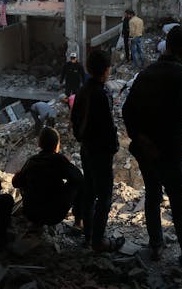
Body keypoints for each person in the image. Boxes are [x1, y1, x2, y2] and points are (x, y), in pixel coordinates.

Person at [123, 26, 182, 267]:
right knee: (178, 199)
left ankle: (155, 245)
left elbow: (127, 111)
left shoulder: (146, 73)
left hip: (145, 150)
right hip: (169, 150)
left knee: (152, 194)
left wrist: (142, 140)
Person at [70, 50, 123, 252]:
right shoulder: (102, 93)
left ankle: (89, 235)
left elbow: (75, 119)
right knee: (105, 196)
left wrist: (81, 138)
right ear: (106, 70)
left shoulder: (83, 90)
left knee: (90, 192)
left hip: (87, 148)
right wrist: (113, 147)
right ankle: (98, 241)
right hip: (100, 151)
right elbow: (109, 127)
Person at [12, 127, 84, 228]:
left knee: (23, 179)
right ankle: (78, 222)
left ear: (39, 143)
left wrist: (18, 175)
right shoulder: (59, 160)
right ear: (57, 146)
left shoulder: (32, 161)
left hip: (31, 214)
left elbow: (16, 183)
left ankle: (36, 223)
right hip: (53, 215)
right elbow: (79, 178)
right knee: (78, 183)